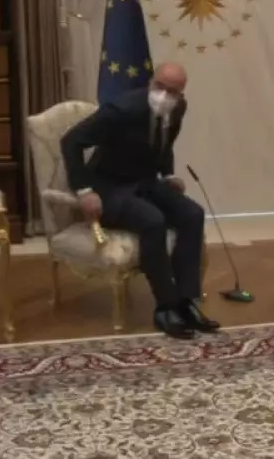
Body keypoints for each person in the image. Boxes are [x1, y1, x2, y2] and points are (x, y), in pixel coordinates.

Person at [61, 63, 219, 339]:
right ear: (150, 83)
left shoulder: (178, 108)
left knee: (192, 214)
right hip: (108, 187)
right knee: (153, 220)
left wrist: (168, 175)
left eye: (172, 91)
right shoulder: (120, 110)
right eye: (159, 86)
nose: (164, 95)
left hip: (144, 181)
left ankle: (187, 302)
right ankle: (165, 307)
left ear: (181, 95)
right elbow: (71, 141)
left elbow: (165, 142)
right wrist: (84, 190)